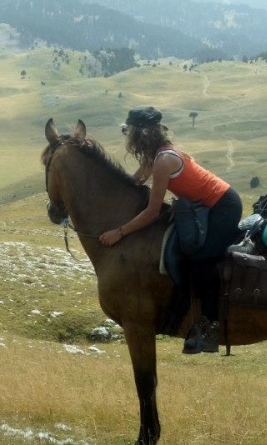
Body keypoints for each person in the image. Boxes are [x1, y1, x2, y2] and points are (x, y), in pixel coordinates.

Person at [98, 106, 242, 354]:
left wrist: (119, 232)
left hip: (224, 207)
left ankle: (210, 328)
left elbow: (152, 212)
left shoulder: (163, 161)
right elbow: (134, 182)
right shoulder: (154, 157)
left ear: (140, 133)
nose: (127, 137)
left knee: (201, 260)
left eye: (128, 131)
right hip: (206, 205)